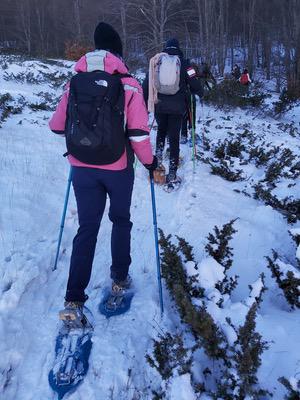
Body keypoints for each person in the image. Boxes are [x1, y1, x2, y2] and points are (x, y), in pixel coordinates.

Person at [49, 22, 157, 327]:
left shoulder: (74, 83)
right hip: (118, 169)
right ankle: (120, 280)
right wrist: (149, 163)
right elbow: (137, 134)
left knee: (87, 228)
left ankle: (73, 300)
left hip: (82, 168)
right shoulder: (130, 84)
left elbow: (56, 126)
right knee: (120, 220)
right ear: (118, 52)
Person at [143, 38, 203, 190]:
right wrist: (199, 92)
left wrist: (145, 101)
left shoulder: (157, 62)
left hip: (159, 106)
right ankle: (172, 174)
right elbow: (194, 83)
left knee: (161, 131)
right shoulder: (185, 63)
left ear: (165, 48)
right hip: (177, 108)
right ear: (178, 48)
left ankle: (157, 160)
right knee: (174, 139)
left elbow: (146, 82)